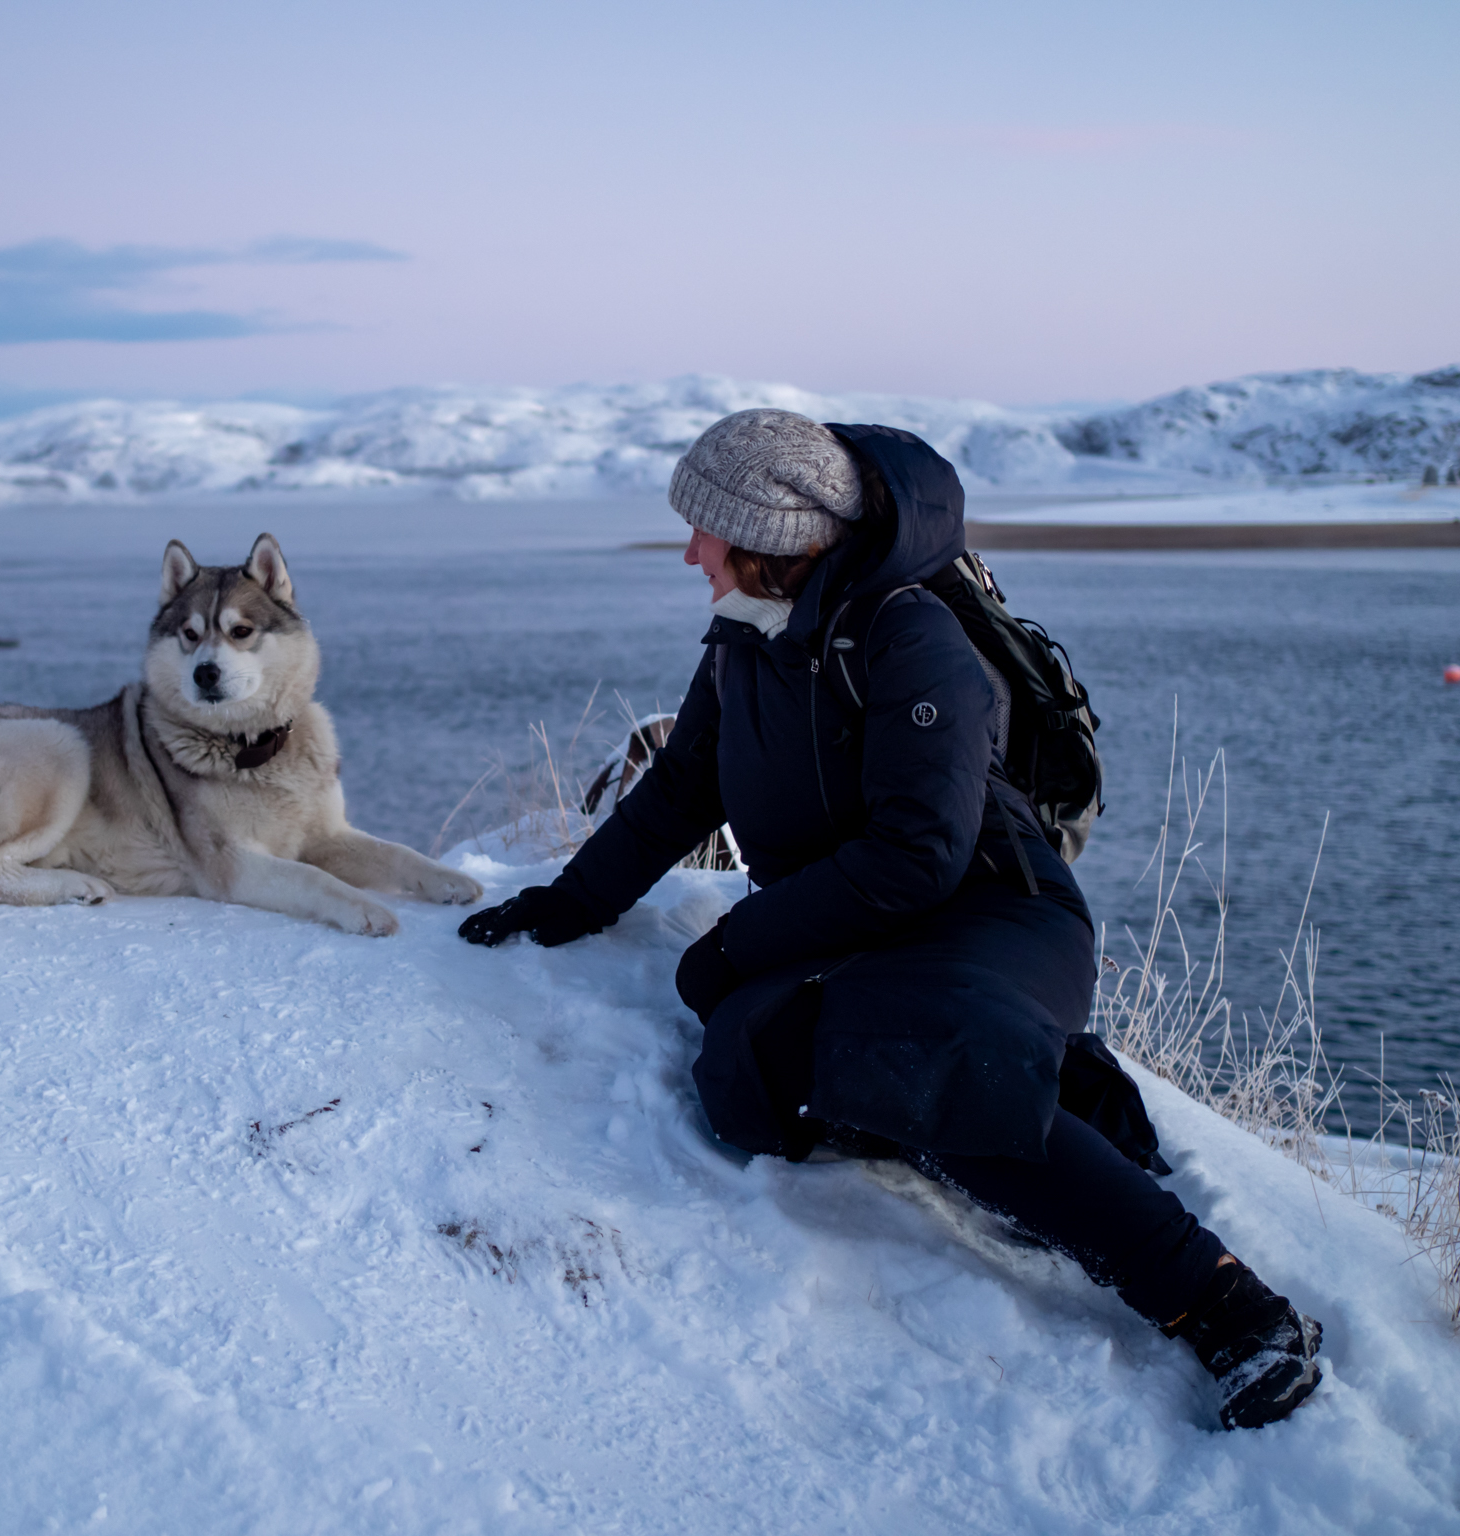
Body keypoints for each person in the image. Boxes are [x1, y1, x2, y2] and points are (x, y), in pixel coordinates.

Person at [458, 410, 1323, 1430]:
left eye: (706, 529)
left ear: (772, 534)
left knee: (918, 1059)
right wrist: (568, 903)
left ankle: (1228, 1308)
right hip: (853, 927)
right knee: (749, 1073)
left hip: (993, 911)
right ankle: (1046, 1085)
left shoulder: (911, 637)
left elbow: (919, 855)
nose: (688, 550)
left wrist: (735, 941)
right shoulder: (743, 638)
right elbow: (680, 787)